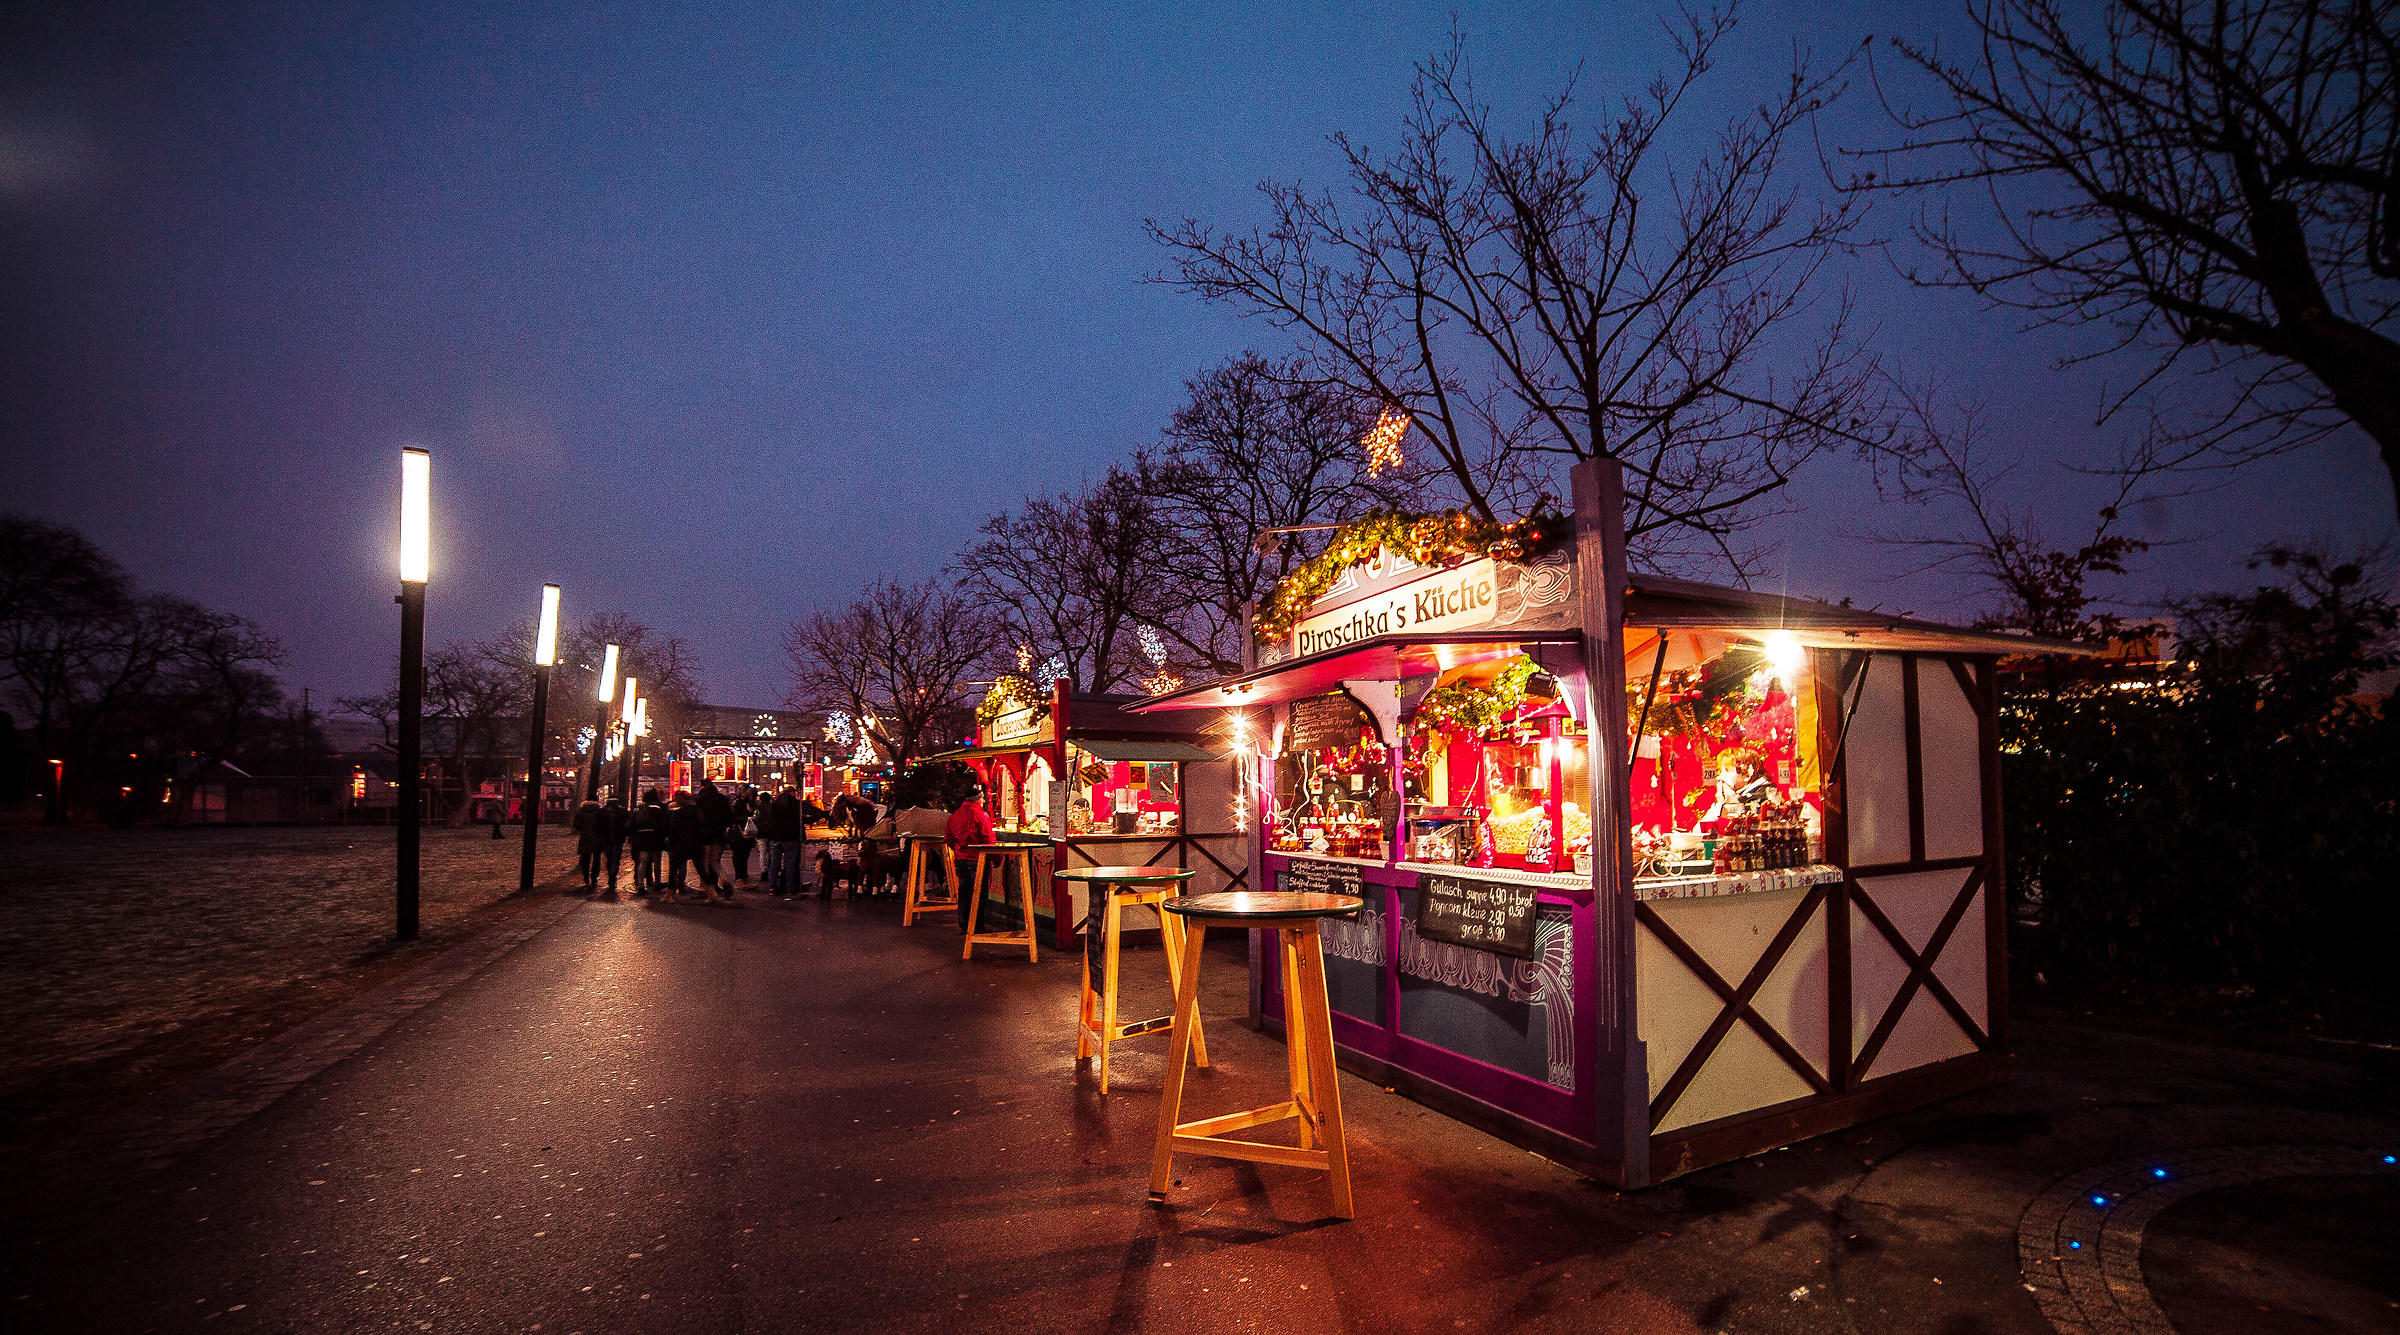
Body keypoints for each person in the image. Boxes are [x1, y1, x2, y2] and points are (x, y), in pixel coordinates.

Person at [946, 784, 997, 931]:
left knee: (963, 891)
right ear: (978, 800)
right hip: (976, 859)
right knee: (978, 893)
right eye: (982, 799)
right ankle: (977, 925)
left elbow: (948, 838)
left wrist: (958, 850)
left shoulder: (955, 815)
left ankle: (963, 923)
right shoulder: (981, 815)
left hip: (960, 859)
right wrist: (996, 858)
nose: (984, 802)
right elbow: (988, 839)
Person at [761, 784, 805, 897]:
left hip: (776, 837)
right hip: (790, 837)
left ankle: (772, 887)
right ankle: (789, 888)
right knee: (790, 863)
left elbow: (770, 820)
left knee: (774, 863)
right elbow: (803, 816)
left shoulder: (775, 804)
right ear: (792, 793)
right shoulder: (795, 804)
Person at [666, 789, 708, 898]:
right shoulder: (696, 810)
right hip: (694, 842)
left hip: (678, 844)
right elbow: (701, 825)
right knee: (700, 868)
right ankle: (711, 891)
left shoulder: (674, 811)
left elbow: (672, 828)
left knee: (674, 868)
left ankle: (670, 893)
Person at [695, 779, 734, 893]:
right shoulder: (722, 799)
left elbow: (698, 817)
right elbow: (730, 817)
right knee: (715, 861)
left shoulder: (701, 799)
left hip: (704, 835)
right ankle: (725, 879)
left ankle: (705, 888)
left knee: (704, 863)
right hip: (719, 834)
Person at [628, 789, 668, 894]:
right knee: (657, 861)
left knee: (642, 861)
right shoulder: (658, 808)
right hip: (655, 837)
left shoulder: (638, 809)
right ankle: (658, 882)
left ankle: (641, 885)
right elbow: (663, 824)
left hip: (641, 838)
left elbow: (631, 824)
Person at [570, 796, 605, 890]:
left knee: (585, 858)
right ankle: (594, 878)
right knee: (596, 858)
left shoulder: (581, 811)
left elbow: (576, 825)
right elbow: (604, 824)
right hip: (597, 837)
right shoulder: (600, 812)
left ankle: (586, 877)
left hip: (585, 837)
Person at [729, 785, 759, 890]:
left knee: (745, 856)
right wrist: (747, 818)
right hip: (738, 833)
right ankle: (739, 878)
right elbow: (733, 817)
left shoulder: (751, 803)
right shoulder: (737, 803)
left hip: (748, 833)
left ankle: (745, 877)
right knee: (738, 856)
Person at [599, 793, 631, 893]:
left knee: (609, 858)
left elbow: (598, 825)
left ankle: (611, 876)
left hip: (606, 838)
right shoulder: (622, 811)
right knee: (616, 859)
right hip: (618, 838)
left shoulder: (602, 811)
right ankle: (613, 876)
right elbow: (627, 825)